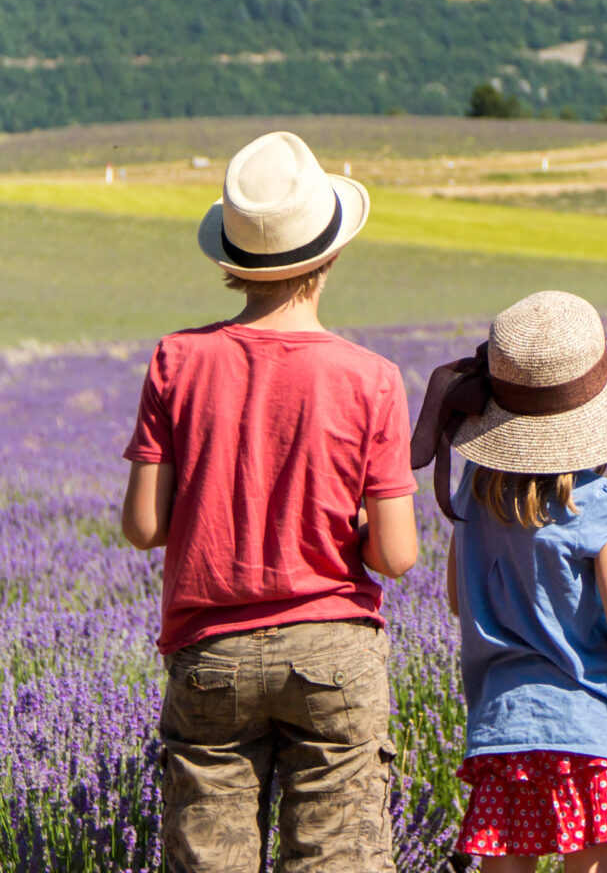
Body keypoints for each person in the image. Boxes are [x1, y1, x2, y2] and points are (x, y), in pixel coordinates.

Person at [120, 131, 420, 873]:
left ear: (234, 262)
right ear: (328, 258)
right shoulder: (371, 378)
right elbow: (398, 555)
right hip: (332, 649)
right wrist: (345, 527)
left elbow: (143, 526)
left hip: (210, 651)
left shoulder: (175, 360)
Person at [412, 290, 607, 873]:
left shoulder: (473, 495)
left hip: (503, 726)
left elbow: (459, 602)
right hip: (593, 727)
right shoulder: (600, 503)